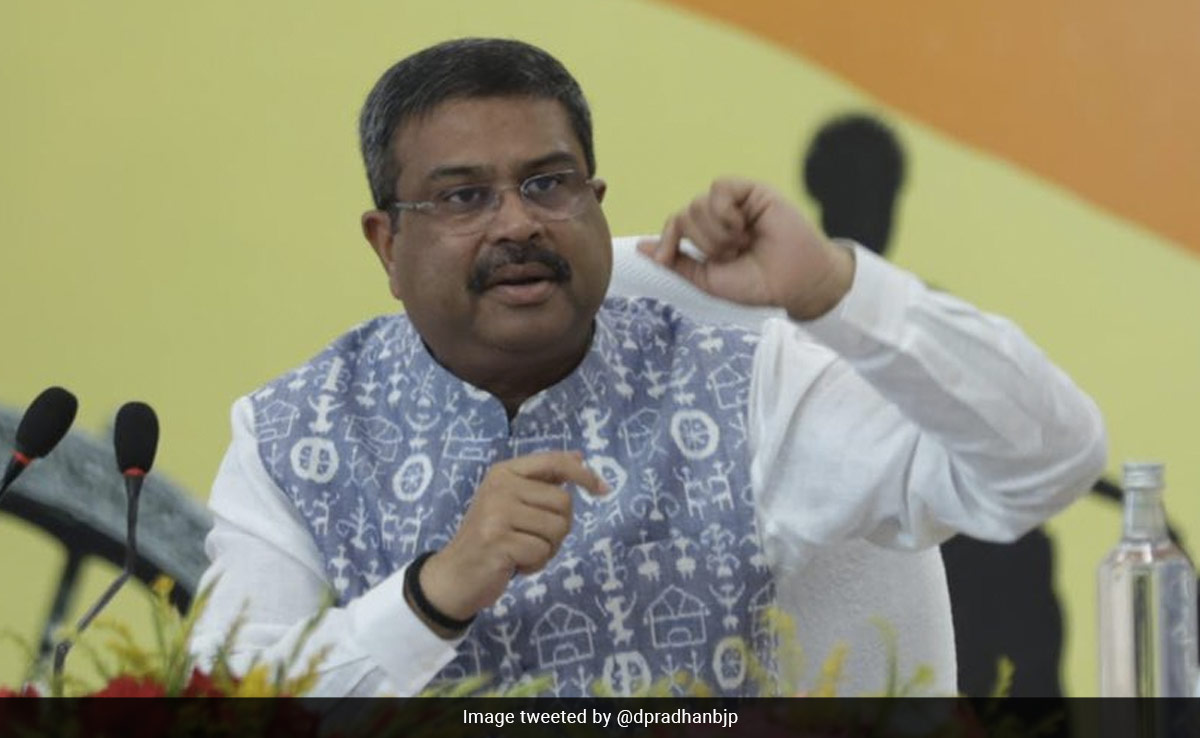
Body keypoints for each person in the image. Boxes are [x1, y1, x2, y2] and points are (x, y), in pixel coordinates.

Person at [191, 38, 1107, 698]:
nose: (518, 223)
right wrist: (432, 598)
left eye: (549, 183)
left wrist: (832, 288)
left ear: (596, 202)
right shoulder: (297, 434)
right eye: (464, 196)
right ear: (387, 243)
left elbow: (1048, 462)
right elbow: (223, 705)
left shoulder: (742, 387)